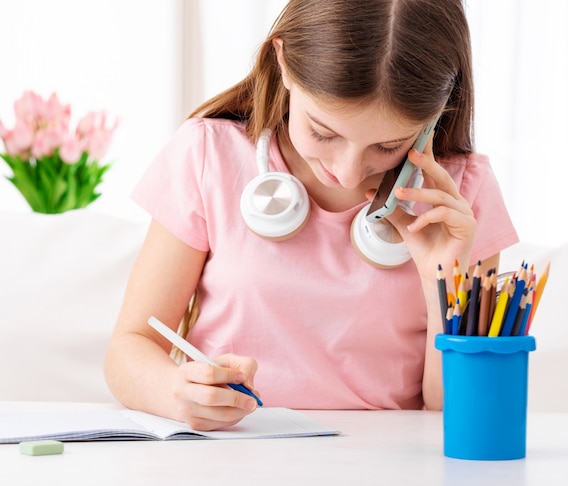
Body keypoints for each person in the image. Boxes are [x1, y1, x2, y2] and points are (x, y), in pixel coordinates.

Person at [104, 0, 518, 431]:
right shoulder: (209, 154)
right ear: (282, 60)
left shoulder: (461, 197)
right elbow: (129, 349)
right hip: (231, 454)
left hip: (387, 461)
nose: (347, 172)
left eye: (387, 146)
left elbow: (456, 413)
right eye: (324, 132)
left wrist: (443, 279)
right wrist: (176, 392)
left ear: (433, 117)